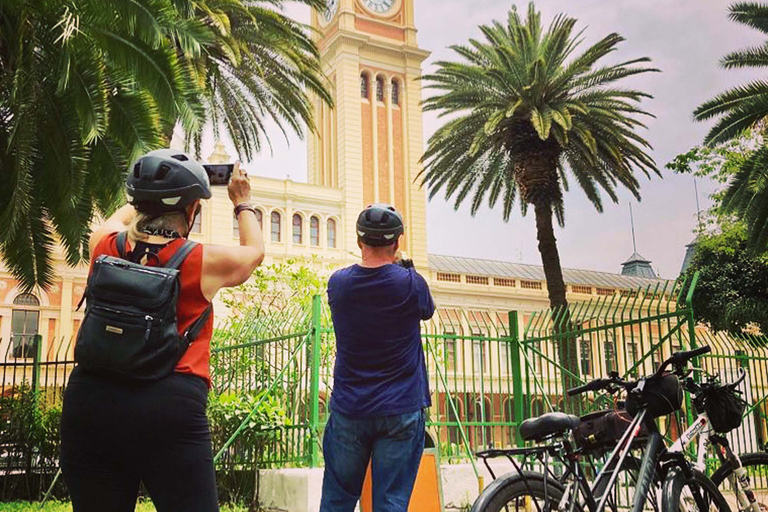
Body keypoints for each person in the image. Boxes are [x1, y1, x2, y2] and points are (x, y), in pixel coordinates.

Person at [60, 149, 264, 512]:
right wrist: (242, 202)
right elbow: (254, 252)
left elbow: (113, 221)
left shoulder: (104, 245)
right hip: (169, 405)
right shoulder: (201, 260)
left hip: (91, 401)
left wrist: (140, 195)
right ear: (191, 211)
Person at [320, 203, 435, 512]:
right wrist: (405, 264)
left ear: (360, 242)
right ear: (397, 243)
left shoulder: (339, 284)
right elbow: (427, 310)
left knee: (337, 500)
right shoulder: (411, 284)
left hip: (350, 408)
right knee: (391, 502)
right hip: (400, 409)